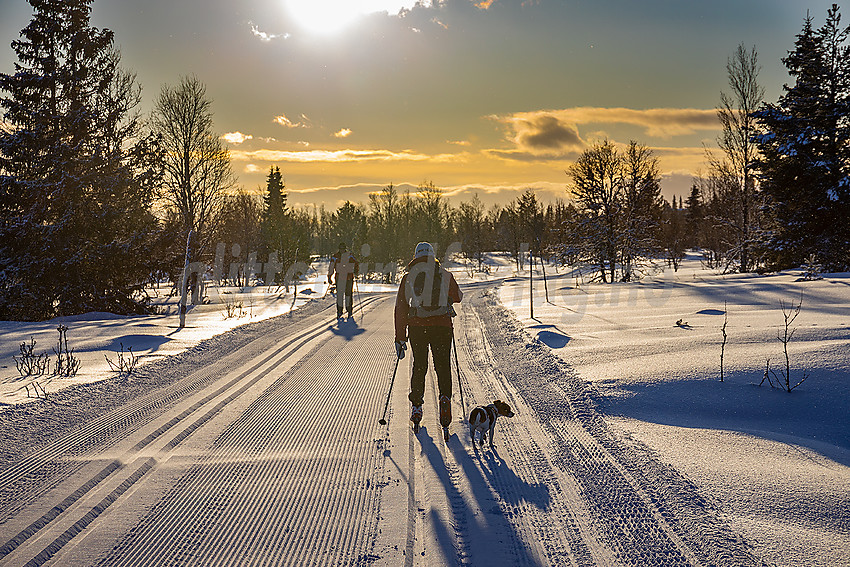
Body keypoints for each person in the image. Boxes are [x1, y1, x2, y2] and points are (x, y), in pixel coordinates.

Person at [394, 242, 463, 431]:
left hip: (418, 328)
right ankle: (445, 399)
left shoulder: (408, 278)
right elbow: (458, 296)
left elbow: (401, 308)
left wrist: (400, 337)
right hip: (442, 327)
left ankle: (417, 406)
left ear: (415, 256)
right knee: (442, 365)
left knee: (420, 365)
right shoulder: (445, 275)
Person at [328, 242, 359, 319]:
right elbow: (331, 267)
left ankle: (349, 310)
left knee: (348, 294)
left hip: (348, 277)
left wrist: (355, 271)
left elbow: (356, 263)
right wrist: (329, 276)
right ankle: (340, 311)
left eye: (343, 248)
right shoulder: (336, 257)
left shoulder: (348, 256)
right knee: (340, 295)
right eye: (341, 248)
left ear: (345, 248)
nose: (342, 250)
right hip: (340, 278)